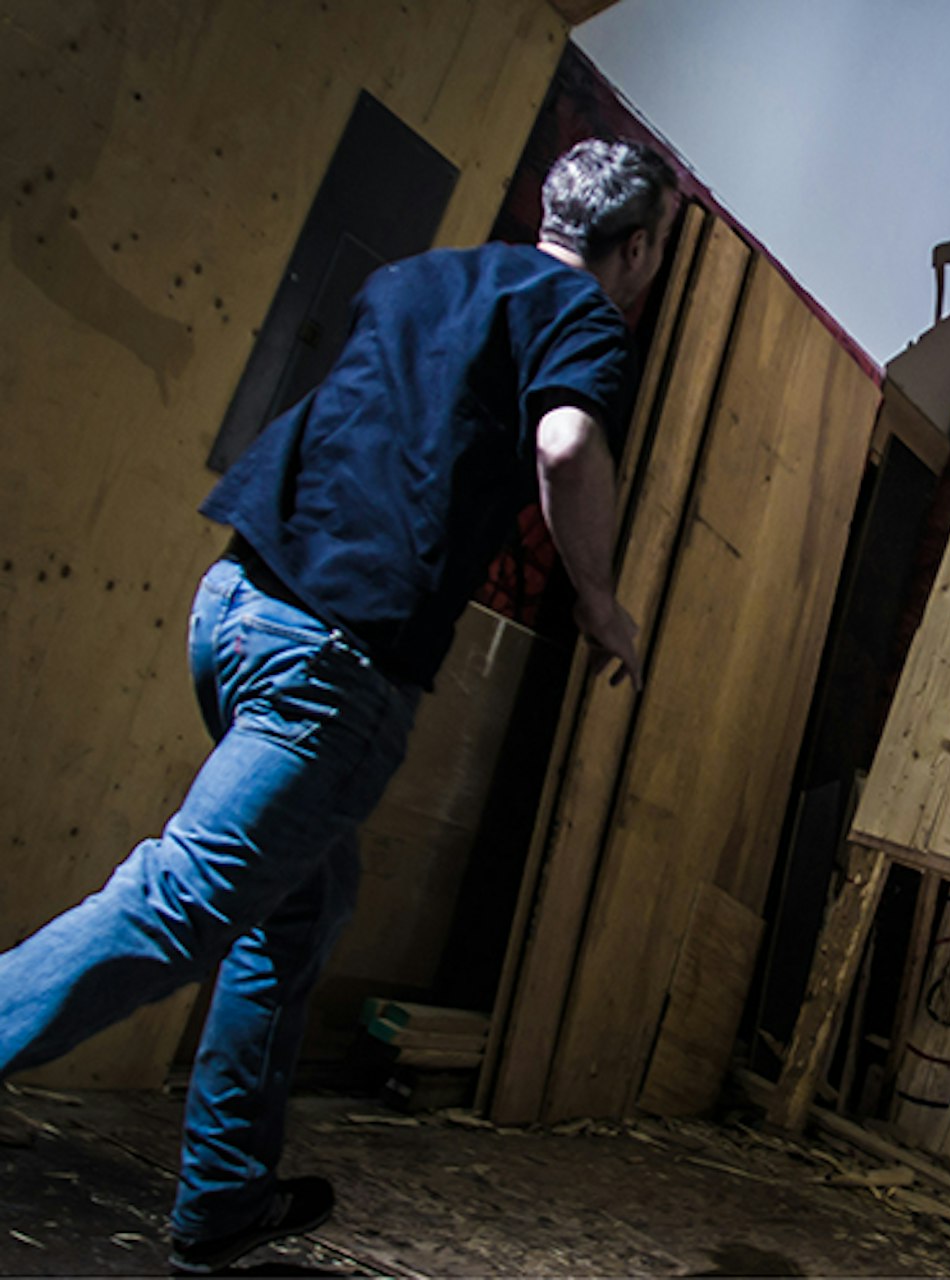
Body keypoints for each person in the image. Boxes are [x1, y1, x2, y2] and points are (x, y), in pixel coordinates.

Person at [0, 137, 679, 1273]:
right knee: (180, 900)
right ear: (641, 247)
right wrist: (603, 600)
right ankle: (215, 1195)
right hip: (333, 662)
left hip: (233, 606)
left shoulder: (417, 280)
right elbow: (565, 441)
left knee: (300, 905)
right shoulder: (583, 316)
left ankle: (222, 1200)